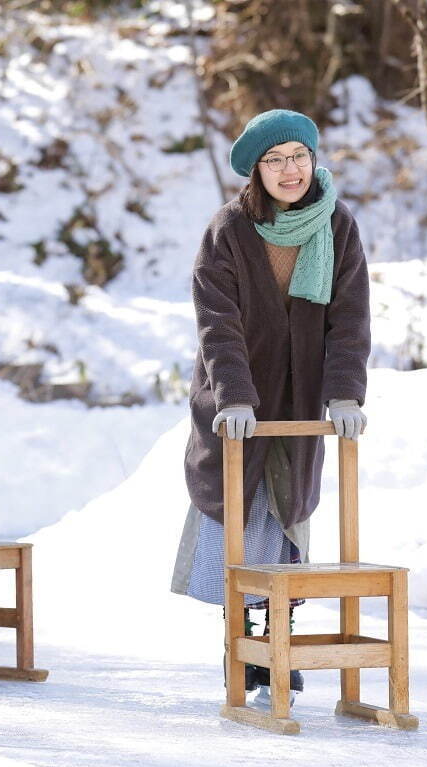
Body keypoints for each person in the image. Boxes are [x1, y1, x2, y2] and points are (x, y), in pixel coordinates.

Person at [170, 109, 371, 703]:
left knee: (288, 512)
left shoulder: (337, 225)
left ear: (315, 160)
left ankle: (277, 631)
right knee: (238, 507)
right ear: (257, 171)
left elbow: (350, 320)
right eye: (275, 160)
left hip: (301, 400)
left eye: (299, 157)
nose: (290, 170)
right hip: (235, 398)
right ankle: (243, 639)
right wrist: (233, 396)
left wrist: (344, 393)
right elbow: (218, 324)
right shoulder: (229, 229)